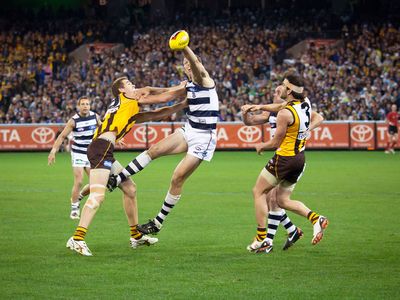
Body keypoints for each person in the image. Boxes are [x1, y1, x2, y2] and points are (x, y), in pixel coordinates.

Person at [107, 42, 286, 236]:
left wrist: (184, 48)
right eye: (184, 64)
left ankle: (158, 222)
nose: (187, 65)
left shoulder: (205, 79)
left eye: (190, 62)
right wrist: (142, 95)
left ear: (197, 63)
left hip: (204, 138)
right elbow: (161, 94)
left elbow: (194, 65)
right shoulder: (189, 86)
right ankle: (118, 179)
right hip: (190, 129)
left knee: (177, 178)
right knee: (153, 151)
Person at [66, 77, 188, 256]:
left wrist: (182, 104)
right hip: (100, 148)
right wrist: (182, 88)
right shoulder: (129, 99)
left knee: (130, 188)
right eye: (130, 84)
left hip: (103, 148)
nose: (134, 86)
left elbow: (157, 114)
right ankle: (77, 238)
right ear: (122, 91)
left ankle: (135, 236)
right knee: (98, 197)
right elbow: (160, 98)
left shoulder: (127, 108)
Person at [243, 74, 328, 253]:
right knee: (281, 200)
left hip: (284, 159)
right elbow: (280, 106)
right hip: (299, 159)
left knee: (258, 191)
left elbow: (275, 143)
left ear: (289, 91)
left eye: (283, 85)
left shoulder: (284, 114)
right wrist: (260, 106)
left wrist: (261, 145)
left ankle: (261, 237)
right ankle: (315, 218)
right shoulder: (305, 103)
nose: (281, 87)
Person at [48, 97, 101, 219]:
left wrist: (118, 139)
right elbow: (61, 137)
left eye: (87, 104)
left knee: (95, 183)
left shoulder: (95, 117)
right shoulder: (74, 121)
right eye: (83, 104)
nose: (85, 106)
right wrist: (53, 151)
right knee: (79, 181)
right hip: (78, 153)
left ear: (90, 105)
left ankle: (80, 196)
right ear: (78, 106)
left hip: (91, 153)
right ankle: (74, 207)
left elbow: (104, 129)